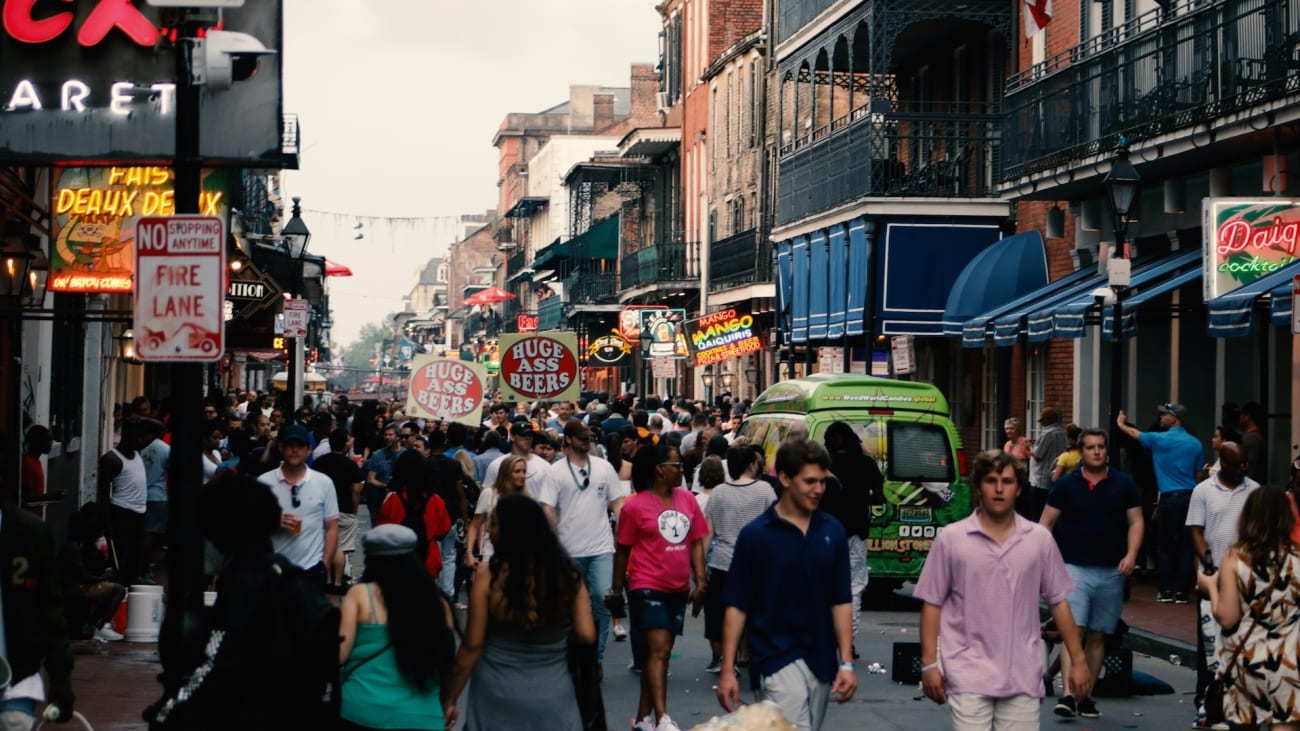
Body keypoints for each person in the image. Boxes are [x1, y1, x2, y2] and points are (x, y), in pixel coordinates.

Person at [148, 471, 340, 729]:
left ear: (221, 532)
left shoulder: (243, 579)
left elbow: (215, 660)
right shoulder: (286, 573)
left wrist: (166, 713)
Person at [916, 450, 1091, 730]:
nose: (999, 489)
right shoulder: (951, 539)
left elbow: (1059, 602)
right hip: (966, 669)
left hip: (1022, 671)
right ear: (978, 486)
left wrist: (1079, 661)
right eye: (991, 480)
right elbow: (932, 604)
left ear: (1019, 488)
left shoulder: (1039, 540)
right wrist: (928, 664)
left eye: (1007, 481)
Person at [716, 438, 856, 731]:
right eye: (809, 482)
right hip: (774, 657)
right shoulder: (756, 536)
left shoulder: (832, 529)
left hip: (820, 659)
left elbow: (841, 598)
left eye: (822, 481)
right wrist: (728, 669)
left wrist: (846, 662)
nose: (819, 489)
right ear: (784, 478)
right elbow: (737, 604)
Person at [444, 494, 596, 730]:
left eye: (493, 523)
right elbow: (587, 634)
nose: (489, 530)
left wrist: (449, 699)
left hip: (497, 693)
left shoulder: (489, 576)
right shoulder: (567, 574)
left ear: (509, 530)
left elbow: (472, 646)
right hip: (553, 693)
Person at [1040, 429, 1143, 720]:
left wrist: (1131, 554)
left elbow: (1136, 521)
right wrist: (1049, 561)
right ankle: (1069, 695)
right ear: (1081, 452)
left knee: (1098, 635)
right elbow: (1045, 524)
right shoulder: (1066, 485)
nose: (1096, 452)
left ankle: (1086, 696)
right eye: (1090, 447)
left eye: (1101, 447)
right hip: (1073, 569)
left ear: (1106, 451)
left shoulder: (1124, 484)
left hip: (1112, 571)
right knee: (1075, 630)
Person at [610, 441, 709, 731]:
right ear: (659, 470)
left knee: (660, 655)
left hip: (677, 587)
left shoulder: (687, 500)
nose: (682, 470)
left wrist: (701, 581)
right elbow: (623, 550)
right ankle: (663, 718)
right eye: (676, 466)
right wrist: (617, 590)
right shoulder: (635, 506)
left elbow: (696, 543)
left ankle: (642, 720)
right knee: (659, 651)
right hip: (646, 583)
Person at [1195, 487, 1300, 731]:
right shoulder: (1296, 558)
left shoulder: (1235, 557)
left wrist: (1210, 586)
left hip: (1246, 661)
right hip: (1289, 661)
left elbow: (1227, 617)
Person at [337, 524, 457, 731]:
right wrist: (447, 702)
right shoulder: (438, 602)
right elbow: (446, 661)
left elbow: (338, 654)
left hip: (362, 710)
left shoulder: (360, 595)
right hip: (421, 716)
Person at [538, 419, 629, 672]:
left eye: (588, 437)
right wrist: (554, 544)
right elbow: (547, 508)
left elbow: (618, 502)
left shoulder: (604, 468)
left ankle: (596, 659)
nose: (586, 441)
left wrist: (621, 529)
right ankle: (570, 656)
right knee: (568, 606)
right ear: (568, 439)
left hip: (601, 548)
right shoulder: (554, 472)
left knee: (602, 600)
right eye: (581, 437)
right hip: (568, 550)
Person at [1185, 442, 1259, 729]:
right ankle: (1206, 705)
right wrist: (1207, 559)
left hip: (1243, 581)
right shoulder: (1202, 491)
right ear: (1223, 464)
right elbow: (1196, 530)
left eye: (1245, 463)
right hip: (1211, 579)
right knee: (1210, 648)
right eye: (1238, 464)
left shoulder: (1254, 490)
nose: (1244, 468)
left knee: (1238, 645)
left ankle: (1235, 703)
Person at [0, 474, 76, 731]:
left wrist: (60, 679)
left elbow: (50, 609)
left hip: (17, 672)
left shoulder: (30, 534)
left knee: (14, 722)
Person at [703, 443, 778, 674]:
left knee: (722, 613)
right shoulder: (766, 490)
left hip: (722, 562)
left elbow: (708, 533)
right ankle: (754, 655)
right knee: (755, 613)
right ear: (752, 464)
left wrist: (700, 569)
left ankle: (726, 658)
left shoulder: (718, 493)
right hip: (757, 565)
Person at [1118, 402, 1203, 603]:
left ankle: (1165, 590)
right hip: (1189, 497)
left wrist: (1121, 423)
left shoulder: (1159, 440)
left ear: (1175, 418)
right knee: (1185, 545)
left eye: (1165, 414)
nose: (1161, 418)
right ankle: (1182, 592)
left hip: (1168, 497)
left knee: (1164, 545)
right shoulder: (1195, 443)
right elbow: (1198, 474)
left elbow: (1134, 434)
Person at [819, 421, 882, 648]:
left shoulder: (824, 466)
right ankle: (848, 641)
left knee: (826, 585)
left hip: (826, 533)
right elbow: (879, 496)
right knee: (854, 587)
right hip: (856, 531)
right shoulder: (865, 463)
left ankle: (827, 636)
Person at [257, 423, 340, 586]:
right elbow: (251, 526)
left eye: (300, 445)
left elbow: (332, 527)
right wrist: (273, 522)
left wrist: (324, 564)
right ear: (281, 447)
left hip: (311, 569)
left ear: (308, 449)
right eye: (289, 445)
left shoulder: (324, 482)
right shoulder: (264, 482)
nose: (294, 450)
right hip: (273, 570)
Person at [375, 450, 453, 581]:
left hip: (397, 561)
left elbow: (381, 529)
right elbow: (443, 530)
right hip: (428, 561)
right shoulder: (435, 500)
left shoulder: (393, 499)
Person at [97, 416, 155, 585]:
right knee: (120, 560)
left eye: (140, 437)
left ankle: (129, 590)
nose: (139, 440)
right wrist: (108, 526)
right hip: (121, 512)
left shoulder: (136, 450)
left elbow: (160, 429)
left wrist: (144, 419)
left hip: (139, 513)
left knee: (135, 560)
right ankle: (119, 592)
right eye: (135, 436)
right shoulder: (111, 459)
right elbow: (102, 495)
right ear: (126, 435)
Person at [57, 503, 127, 642]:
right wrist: (101, 579)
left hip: (75, 585)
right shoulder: (73, 548)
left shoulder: (74, 545)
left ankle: (94, 625)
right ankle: (100, 627)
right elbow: (82, 576)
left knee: (109, 588)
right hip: (75, 587)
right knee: (118, 590)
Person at [312, 428, 364, 593]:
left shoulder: (319, 462)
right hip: (344, 507)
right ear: (344, 444)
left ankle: (326, 580)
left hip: (322, 510)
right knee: (340, 547)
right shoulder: (350, 464)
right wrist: (354, 510)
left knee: (326, 545)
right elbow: (356, 489)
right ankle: (338, 582)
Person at [465, 454, 529, 571]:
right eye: (517, 471)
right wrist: (469, 553)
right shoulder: (489, 494)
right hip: (491, 558)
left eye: (524, 472)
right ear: (506, 473)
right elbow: (475, 525)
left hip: (519, 560)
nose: (522, 475)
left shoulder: (527, 498)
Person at [1026, 407, 1068, 521]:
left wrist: (1030, 447)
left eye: (1043, 420)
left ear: (1048, 420)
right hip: (1057, 476)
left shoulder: (1047, 434)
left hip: (1041, 479)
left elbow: (1039, 455)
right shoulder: (1063, 433)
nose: (1042, 423)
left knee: (1037, 513)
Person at [363, 424, 405, 518]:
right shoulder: (377, 455)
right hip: (380, 498)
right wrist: (386, 485)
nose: (387, 437)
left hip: (400, 499)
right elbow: (371, 479)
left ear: (398, 437)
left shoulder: (405, 454)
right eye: (385, 435)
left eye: (390, 435)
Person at [1237, 401, 1266, 484]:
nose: (1240, 417)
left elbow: (1251, 467)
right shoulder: (1253, 437)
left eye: (1241, 414)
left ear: (1247, 417)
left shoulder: (1252, 439)